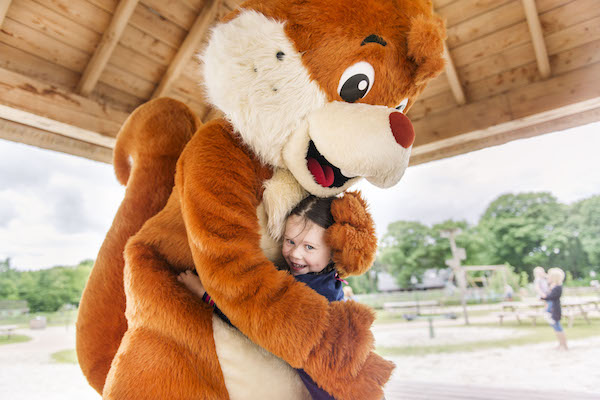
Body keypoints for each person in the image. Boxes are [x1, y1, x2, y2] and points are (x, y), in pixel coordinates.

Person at [179, 195, 351, 400]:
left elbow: (255, 322)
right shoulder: (327, 281)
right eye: (290, 241)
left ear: (333, 252)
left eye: (309, 247)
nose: (296, 254)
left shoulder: (312, 295)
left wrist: (204, 294)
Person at [541, 267, 568, 351]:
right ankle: (560, 344)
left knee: (558, 326)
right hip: (551, 309)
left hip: (555, 310)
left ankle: (564, 344)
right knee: (555, 327)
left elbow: (552, 297)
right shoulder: (553, 286)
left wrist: (543, 297)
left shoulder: (558, 287)